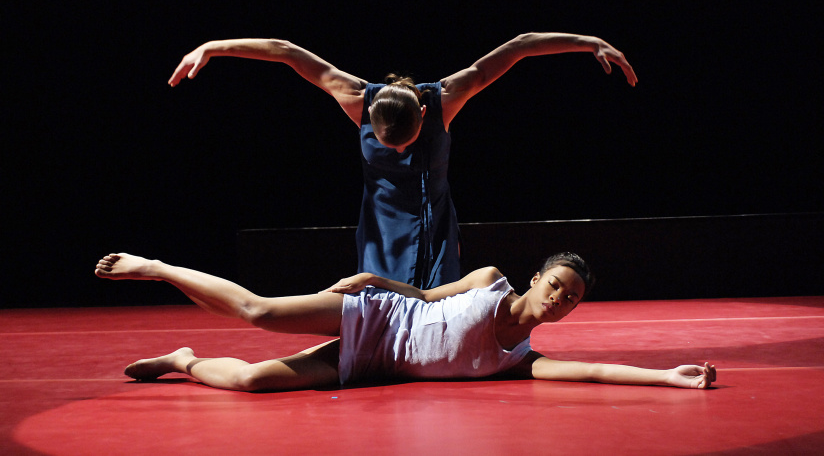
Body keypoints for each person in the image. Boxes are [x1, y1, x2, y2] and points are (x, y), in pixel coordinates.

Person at [168, 33, 638, 289]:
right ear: (370, 118)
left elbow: (518, 46)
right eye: (386, 145)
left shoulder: (447, 97)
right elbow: (288, 54)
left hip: (434, 216)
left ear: (425, 116)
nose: (398, 153)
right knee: (375, 296)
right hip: (380, 218)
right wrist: (212, 47)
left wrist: (588, 41)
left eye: (407, 144)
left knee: (436, 301)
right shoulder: (353, 96)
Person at [94, 251, 715, 392]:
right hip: (378, 316)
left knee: (253, 382)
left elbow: (600, 371)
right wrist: (375, 281)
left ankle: (183, 360)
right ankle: (155, 266)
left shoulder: (523, 359)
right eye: (557, 285)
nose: (560, 299)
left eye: (571, 298)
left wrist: (670, 377)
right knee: (260, 311)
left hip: (371, 365)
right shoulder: (490, 280)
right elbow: (423, 293)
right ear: (537, 279)